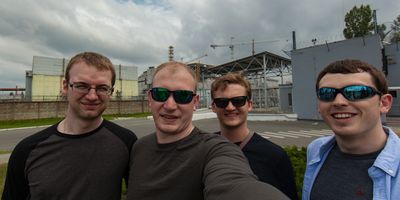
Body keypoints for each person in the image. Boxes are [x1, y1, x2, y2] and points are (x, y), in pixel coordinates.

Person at [126, 61, 289, 200]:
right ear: (149, 98)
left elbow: (235, 184)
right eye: (160, 94)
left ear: (195, 102)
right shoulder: (139, 147)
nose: (169, 105)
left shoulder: (216, 150)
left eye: (182, 96)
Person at [2, 52, 138, 200]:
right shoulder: (26, 151)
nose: (92, 96)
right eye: (81, 86)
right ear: (65, 87)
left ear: (111, 92)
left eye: (102, 88)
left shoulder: (126, 142)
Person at [302, 59, 400, 200]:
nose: (338, 102)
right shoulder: (317, 150)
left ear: (384, 103)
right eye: (327, 94)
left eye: (356, 92)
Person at [211, 72, 298, 200]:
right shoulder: (206, 149)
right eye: (222, 102)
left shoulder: (274, 156)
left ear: (249, 105)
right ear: (213, 106)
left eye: (238, 101)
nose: (230, 107)